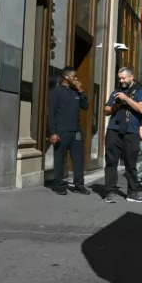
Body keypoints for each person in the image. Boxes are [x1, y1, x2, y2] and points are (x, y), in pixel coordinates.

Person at [103, 67, 142, 203]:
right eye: (119, 78)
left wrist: (126, 99)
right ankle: (110, 191)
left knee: (131, 163)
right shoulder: (116, 92)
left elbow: (141, 108)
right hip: (114, 129)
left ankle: (132, 192)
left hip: (131, 131)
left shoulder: (141, 91)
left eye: (124, 78)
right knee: (111, 161)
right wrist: (115, 107)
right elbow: (106, 110)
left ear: (131, 77)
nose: (121, 81)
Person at [46, 67, 90, 195]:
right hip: (61, 132)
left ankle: (79, 185)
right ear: (66, 76)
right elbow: (51, 113)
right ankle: (59, 185)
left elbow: (85, 106)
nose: (76, 79)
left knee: (78, 159)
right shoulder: (56, 92)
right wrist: (53, 132)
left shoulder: (76, 92)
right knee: (59, 159)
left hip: (76, 132)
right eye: (74, 76)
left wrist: (81, 90)